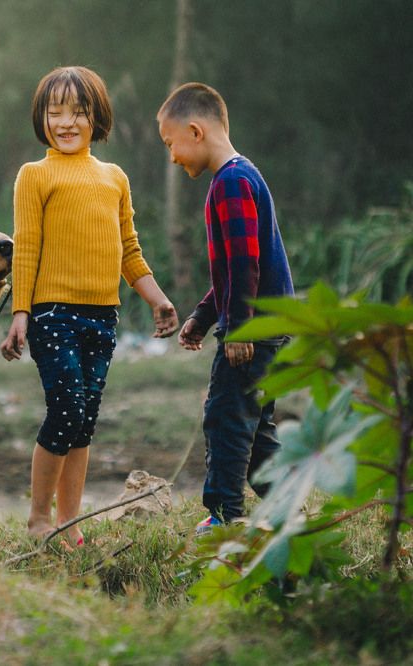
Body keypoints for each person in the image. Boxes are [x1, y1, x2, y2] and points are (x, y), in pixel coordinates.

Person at [0, 66, 179, 547]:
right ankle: (39, 519)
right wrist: (20, 313)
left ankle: (70, 522)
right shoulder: (35, 175)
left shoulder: (113, 177)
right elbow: (27, 247)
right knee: (66, 410)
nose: (66, 122)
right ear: (41, 118)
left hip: (103, 316)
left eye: (78, 112)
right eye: (55, 112)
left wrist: (158, 299)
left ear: (96, 118)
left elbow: (129, 250)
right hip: (52, 313)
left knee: (84, 421)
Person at [157, 82, 294, 536]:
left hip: (255, 328)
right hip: (270, 323)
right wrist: (203, 316)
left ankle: (224, 515)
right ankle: (289, 507)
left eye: (170, 143)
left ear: (195, 131)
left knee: (226, 418)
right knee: (255, 426)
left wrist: (237, 330)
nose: (172, 157)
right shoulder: (240, 176)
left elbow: (243, 264)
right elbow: (235, 271)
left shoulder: (231, 183)